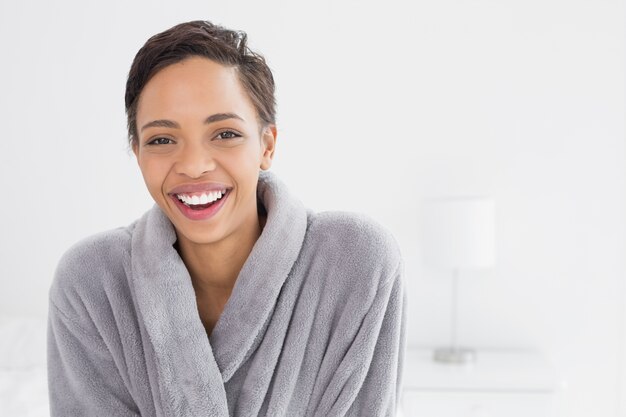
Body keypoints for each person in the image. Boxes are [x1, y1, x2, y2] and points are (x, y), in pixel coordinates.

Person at [47, 20, 407, 417]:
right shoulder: (91, 282)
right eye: (162, 140)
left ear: (267, 145)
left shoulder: (355, 263)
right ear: (138, 153)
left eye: (225, 134)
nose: (194, 165)